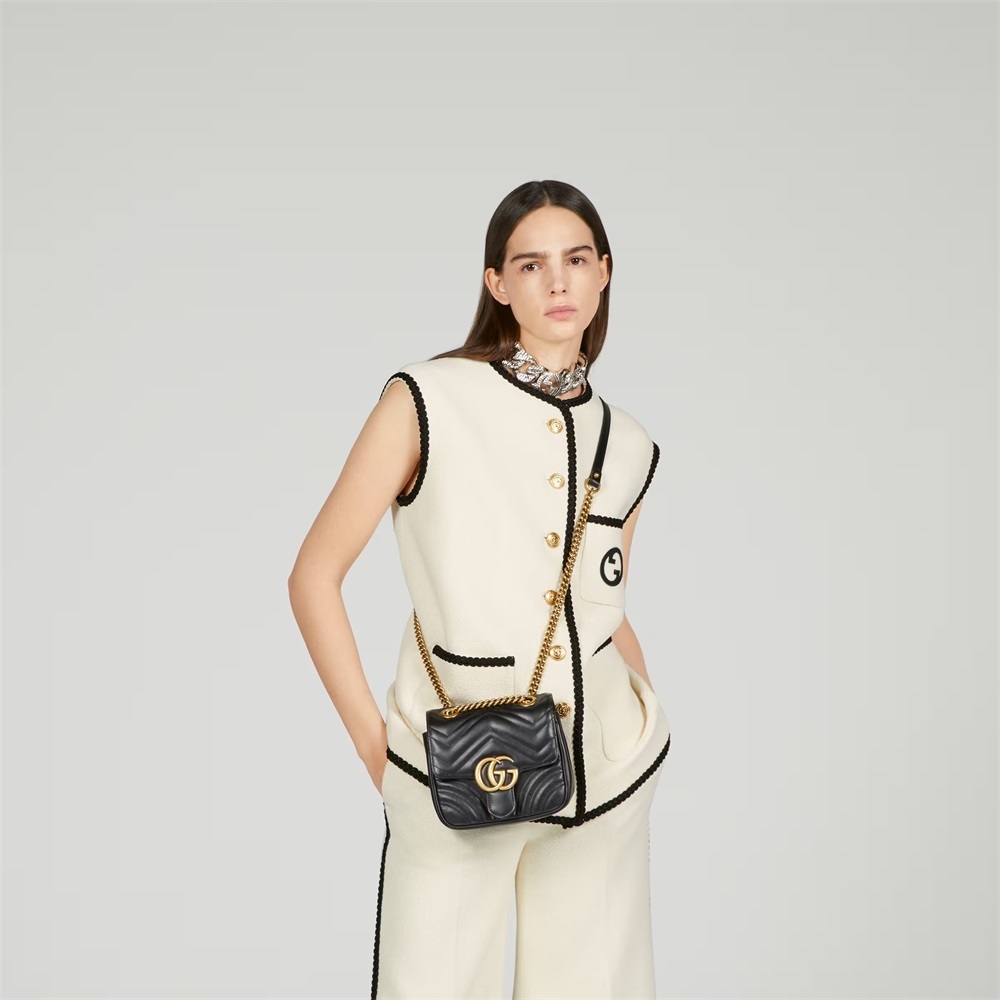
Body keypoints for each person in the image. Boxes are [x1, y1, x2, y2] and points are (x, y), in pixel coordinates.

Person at [287, 179, 672, 999]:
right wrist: (377, 750)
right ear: (497, 283)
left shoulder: (630, 444)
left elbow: (605, 610)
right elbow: (314, 576)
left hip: (604, 775)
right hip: (459, 766)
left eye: (576, 260)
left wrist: (645, 729)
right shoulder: (427, 399)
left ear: (605, 271)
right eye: (531, 265)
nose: (558, 281)